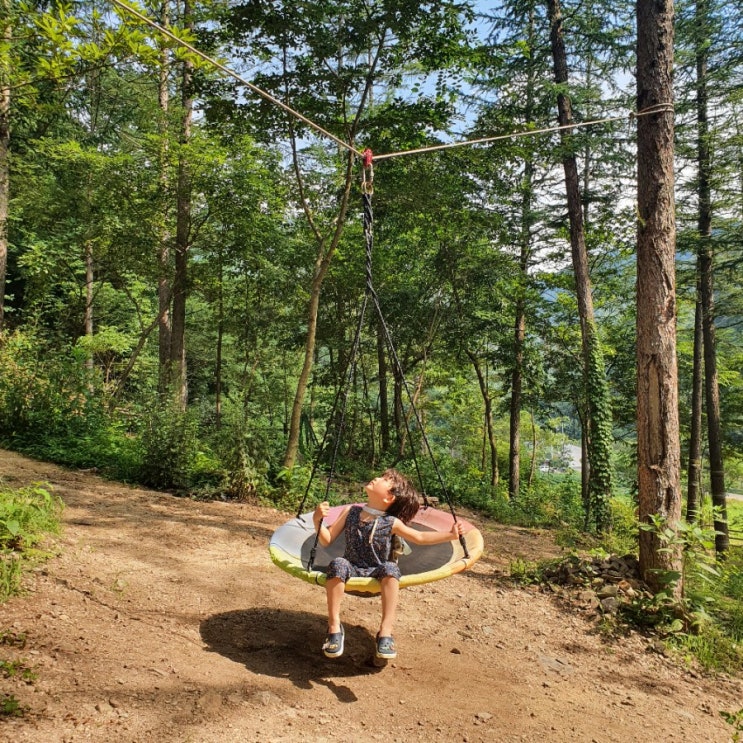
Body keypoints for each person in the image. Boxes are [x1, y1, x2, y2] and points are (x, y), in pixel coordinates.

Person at [312, 468, 464, 661]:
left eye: (385, 480)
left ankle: (385, 632)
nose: (377, 478)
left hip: (377, 569)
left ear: (389, 498)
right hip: (351, 566)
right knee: (337, 564)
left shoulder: (391, 522)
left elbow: (419, 537)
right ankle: (334, 626)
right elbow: (326, 539)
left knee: (391, 568)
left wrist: (450, 535)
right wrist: (317, 519)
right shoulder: (351, 511)